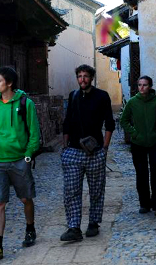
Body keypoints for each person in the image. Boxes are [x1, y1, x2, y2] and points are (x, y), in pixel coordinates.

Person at [0, 66, 40, 261]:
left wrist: (28, 155)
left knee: (25, 199)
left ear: (9, 83)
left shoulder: (25, 103)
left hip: (19, 160)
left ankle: (30, 229)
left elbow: (34, 133)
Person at [60, 64, 114, 241]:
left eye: (85, 76)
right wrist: (64, 147)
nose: (82, 79)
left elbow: (109, 123)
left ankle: (93, 223)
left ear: (92, 78)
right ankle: (74, 227)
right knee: (71, 190)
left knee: (96, 189)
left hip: (95, 151)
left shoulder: (102, 96)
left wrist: (104, 148)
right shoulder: (73, 96)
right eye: (80, 76)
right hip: (73, 151)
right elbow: (67, 122)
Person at [121, 75, 156, 216]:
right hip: (138, 143)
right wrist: (134, 134)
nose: (142, 87)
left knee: (155, 172)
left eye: (145, 85)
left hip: (154, 142)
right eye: (140, 85)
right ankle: (144, 204)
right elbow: (124, 120)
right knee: (141, 173)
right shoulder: (132, 102)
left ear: (150, 86)